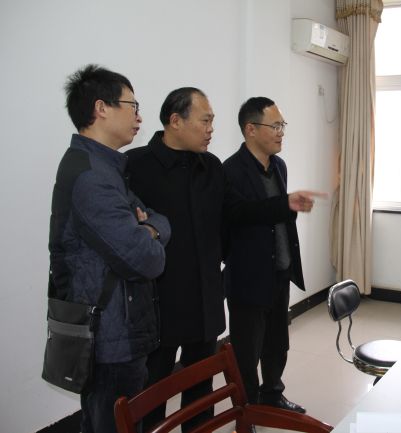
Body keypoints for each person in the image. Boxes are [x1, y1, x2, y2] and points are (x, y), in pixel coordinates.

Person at [125, 88, 319, 432]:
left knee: (200, 388)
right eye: (205, 120)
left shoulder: (210, 167)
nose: (211, 128)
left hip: (204, 296)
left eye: (212, 120)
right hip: (159, 298)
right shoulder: (136, 166)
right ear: (175, 121)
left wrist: (283, 203)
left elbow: (239, 211)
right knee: (154, 388)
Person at [49, 64, 171, 433]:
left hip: (118, 327)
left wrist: (147, 227)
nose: (139, 117)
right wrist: (148, 231)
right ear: (101, 108)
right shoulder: (92, 176)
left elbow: (160, 219)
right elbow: (146, 260)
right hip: (110, 337)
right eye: (133, 106)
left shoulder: (105, 167)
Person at [221, 97, 306, 414]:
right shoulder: (231, 171)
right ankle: (246, 410)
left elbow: (279, 216)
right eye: (275, 126)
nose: (281, 132)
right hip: (249, 277)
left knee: (277, 343)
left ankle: (272, 393)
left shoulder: (279, 166)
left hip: (279, 271)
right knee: (247, 351)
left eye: (282, 125)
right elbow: (235, 218)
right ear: (251, 129)